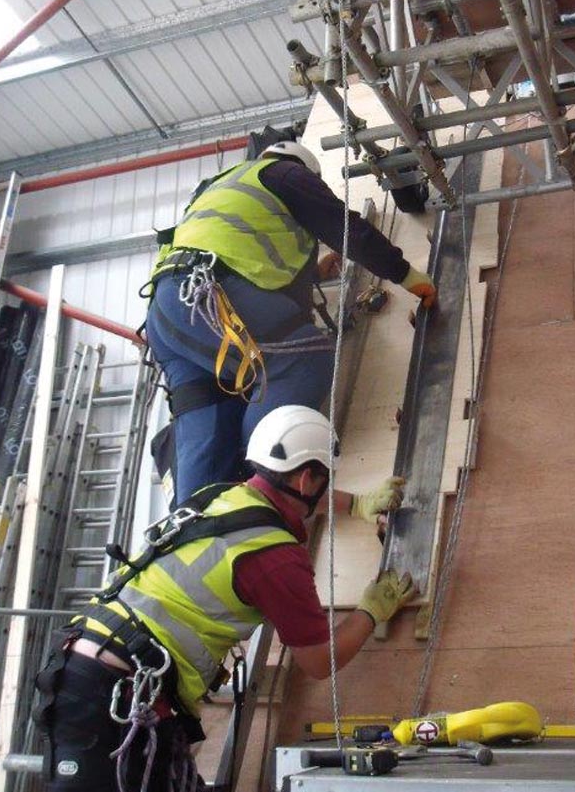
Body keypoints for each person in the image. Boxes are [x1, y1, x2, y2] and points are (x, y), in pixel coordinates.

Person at [32, 405, 415, 792]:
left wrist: (358, 504)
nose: (323, 486)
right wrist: (371, 610)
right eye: (323, 478)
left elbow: (277, 504)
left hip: (84, 666)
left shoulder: (219, 496)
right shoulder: (276, 558)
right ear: (306, 480)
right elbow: (320, 659)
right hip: (119, 695)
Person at [144, 141, 436, 503]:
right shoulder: (284, 174)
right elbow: (348, 230)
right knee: (301, 359)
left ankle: (196, 517)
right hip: (207, 298)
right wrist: (406, 274)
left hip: (169, 314)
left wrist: (311, 270)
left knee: (210, 415)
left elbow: (239, 253)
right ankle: (259, 487)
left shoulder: (220, 185)